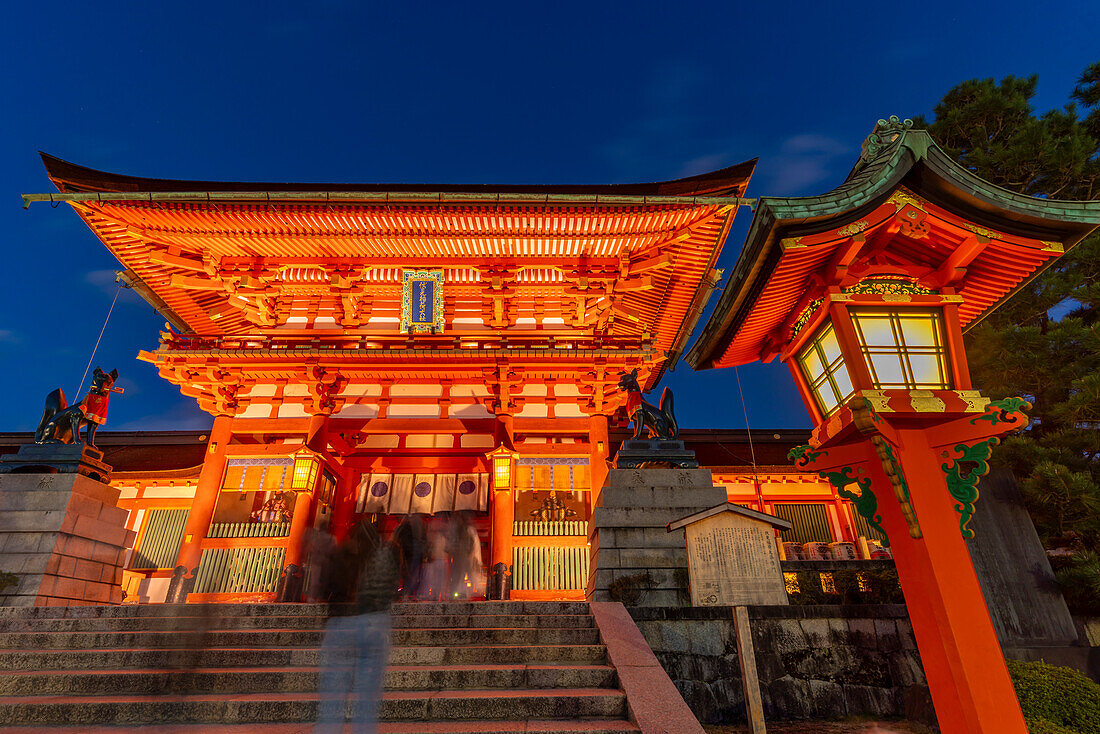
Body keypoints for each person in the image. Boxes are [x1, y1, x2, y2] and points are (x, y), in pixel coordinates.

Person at [315, 519, 399, 733]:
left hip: (341, 623)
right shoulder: (383, 557)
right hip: (373, 622)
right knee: (367, 700)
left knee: (332, 698)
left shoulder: (338, 555)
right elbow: (393, 589)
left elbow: (323, 590)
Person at [392, 514, 426, 599]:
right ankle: (409, 593)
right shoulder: (407, 528)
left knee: (408, 575)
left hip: (406, 555)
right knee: (411, 575)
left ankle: (406, 593)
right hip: (409, 555)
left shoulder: (402, 527)